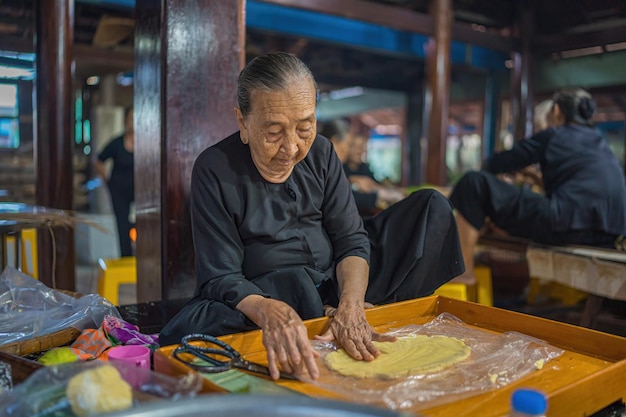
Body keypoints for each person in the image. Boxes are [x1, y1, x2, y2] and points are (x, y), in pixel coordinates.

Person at [159, 52, 464, 380]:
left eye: (305, 128)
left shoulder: (321, 152)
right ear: (243, 123)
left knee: (431, 209)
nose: (291, 148)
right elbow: (220, 276)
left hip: (334, 280)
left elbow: (351, 240)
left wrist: (351, 303)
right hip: (270, 293)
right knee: (189, 329)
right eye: (274, 132)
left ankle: (345, 313)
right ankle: (323, 315)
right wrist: (267, 310)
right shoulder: (214, 168)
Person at [449, 87, 626, 282]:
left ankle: (462, 273)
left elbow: (496, 164)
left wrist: (513, 168)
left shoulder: (554, 135)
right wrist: (534, 177)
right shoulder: (600, 142)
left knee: (473, 183)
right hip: (610, 233)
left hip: (566, 226)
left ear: (556, 111)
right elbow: (578, 189)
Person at [318, 120, 404, 215]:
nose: (361, 151)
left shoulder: (362, 167)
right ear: (334, 142)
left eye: (363, 147)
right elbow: (341, 198)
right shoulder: (324, 168)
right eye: (350, 145)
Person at [94, 107, 135, 257]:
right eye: (131, 119)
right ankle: (126, 258)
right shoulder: (117, 143)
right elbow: (98, 160)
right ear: (126, 121)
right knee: (122, 226)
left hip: (140, 192)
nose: (133, 123)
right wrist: (107, 181)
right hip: (119, 191)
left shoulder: (146, 144)